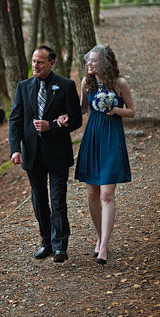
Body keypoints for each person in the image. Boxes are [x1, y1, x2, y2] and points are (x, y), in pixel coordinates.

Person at [58, 44, 134, 265]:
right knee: (92, 193)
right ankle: (100, 237)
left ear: (105, 62)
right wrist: (64, 116)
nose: (89, 64)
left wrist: (117, 110)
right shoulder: (86, 83)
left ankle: (105, 247)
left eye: (93, 61)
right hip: (92, 137)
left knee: (106, 194)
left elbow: (132, 111)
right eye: (88, 61)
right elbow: (82, 109)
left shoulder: (119, 84)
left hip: (111, 137)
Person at [9, 45, 82, 263]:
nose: (35, 65)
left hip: (57, 153)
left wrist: (53, 126)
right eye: (33, 61)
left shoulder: (66, 86)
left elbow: (76, 119)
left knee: (57, 200)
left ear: (51, 63)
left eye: (40, 62)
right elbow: (15, 120)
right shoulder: (23, 87)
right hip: (32, 154)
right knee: (39, 200)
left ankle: (60, 246)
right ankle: (46, 243)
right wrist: (15, 149)